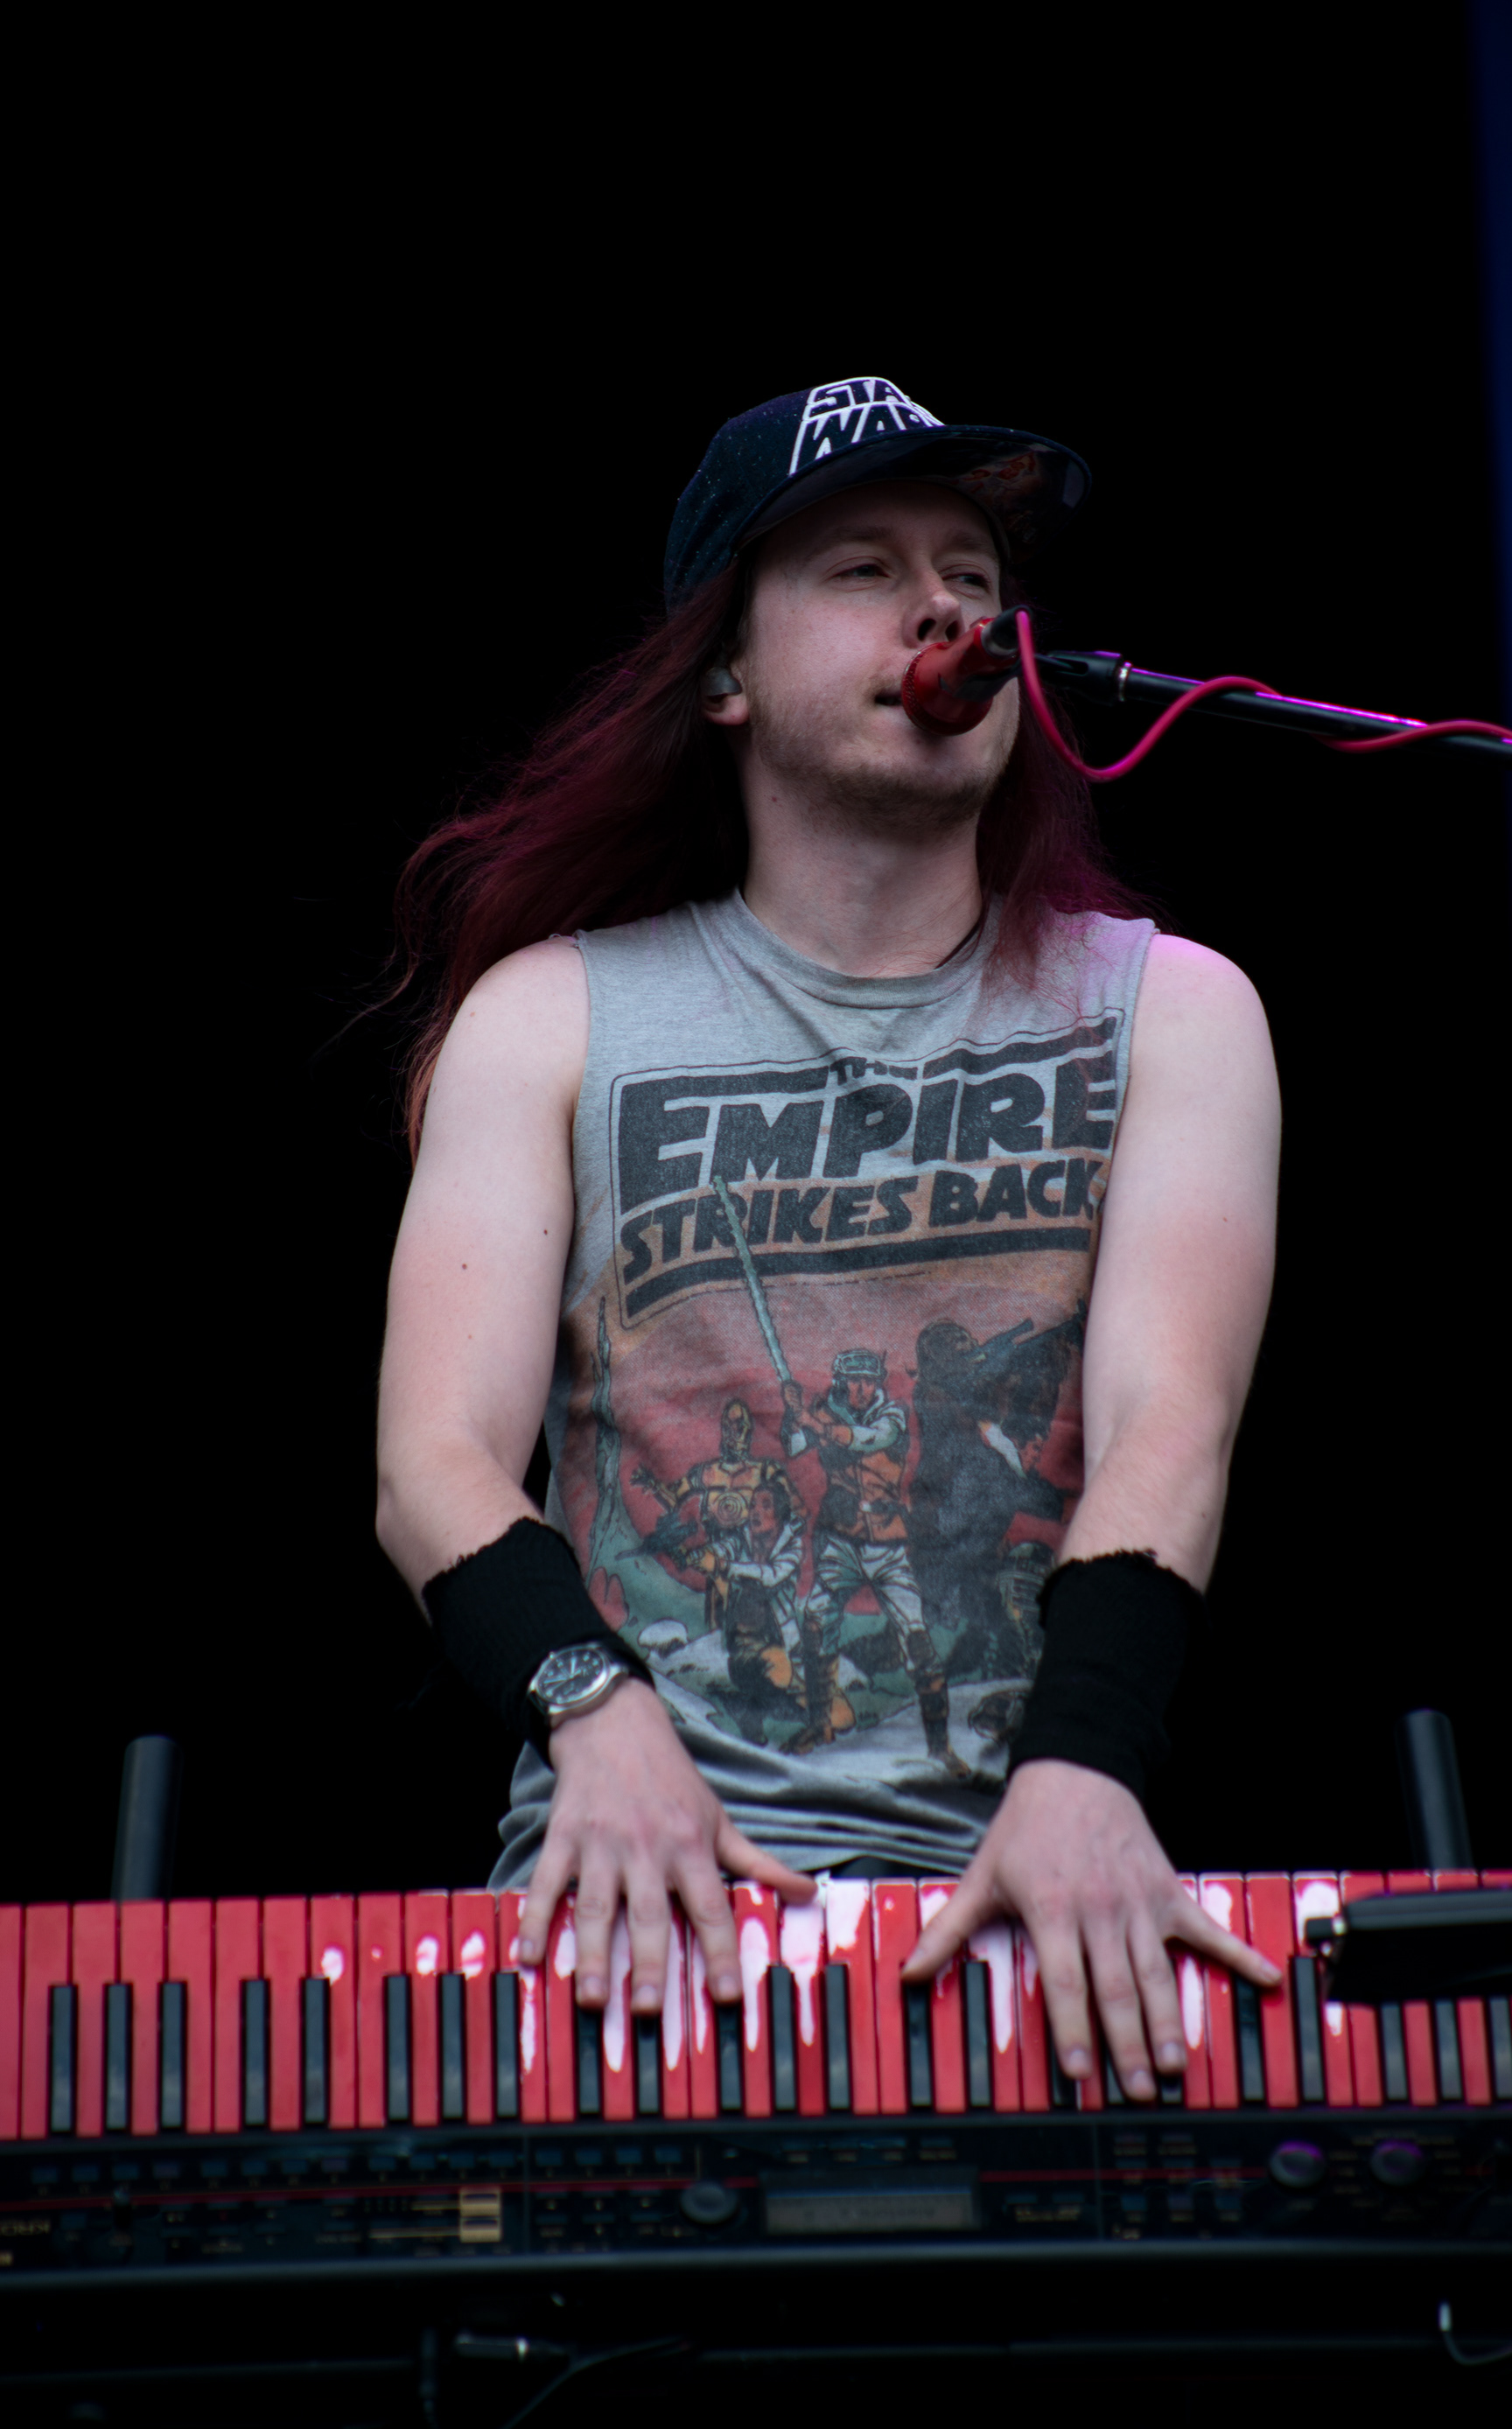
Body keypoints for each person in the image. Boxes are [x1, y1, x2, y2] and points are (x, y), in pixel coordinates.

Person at [375, 375, 1283, 2104]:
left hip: (1037, 1908)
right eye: (867, 568)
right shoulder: (550, 1020)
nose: (948, 610)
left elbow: (1169, 1425)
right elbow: (431, 1462)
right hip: (634, 1915)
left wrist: (1085, 1765)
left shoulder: (1172, 1011)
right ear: (723, 671)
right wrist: (595, 1717)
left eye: (974, 574)